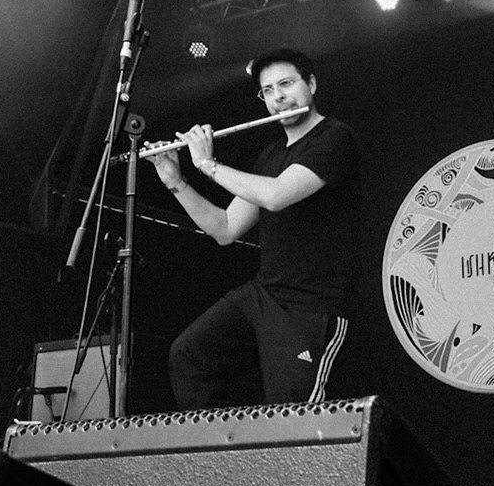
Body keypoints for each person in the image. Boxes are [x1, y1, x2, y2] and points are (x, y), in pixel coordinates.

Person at [147, 48, 360, 408]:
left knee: (291, 413)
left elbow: (277, 195)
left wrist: (207, 164)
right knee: (189, 356)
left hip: (311, 305)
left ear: (310, 84)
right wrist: (176, 181)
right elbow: (225, 228)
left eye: (286, 84)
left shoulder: (334, 137)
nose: (278, 97)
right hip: (265, 295)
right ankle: (224, 460)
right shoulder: (270, 156)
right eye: (268, 91)